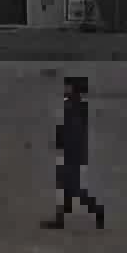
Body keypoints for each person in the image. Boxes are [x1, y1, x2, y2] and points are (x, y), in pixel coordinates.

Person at [42, 76, 104, 230]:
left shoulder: (74, 106)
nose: (65, 89)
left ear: (74, 89)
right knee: (66, 186)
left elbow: (73, 131)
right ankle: (60, 218)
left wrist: (63, 142)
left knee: (72, 187)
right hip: (73, 151)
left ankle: (96, 211)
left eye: (67, 86)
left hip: (73, 152)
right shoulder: (74, 105)